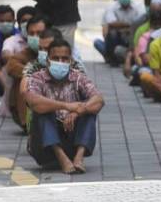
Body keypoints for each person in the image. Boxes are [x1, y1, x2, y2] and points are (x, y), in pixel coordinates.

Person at [25, 38, 104, 174]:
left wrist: (79, 111)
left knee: (89, 110)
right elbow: (34, 101)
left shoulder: (78, 77)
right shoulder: (37, 78)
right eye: (56, 58)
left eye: (64, 59)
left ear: (70, 61)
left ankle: (78, 157)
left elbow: (99, 99)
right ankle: (62, 158)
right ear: (48, 60)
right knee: (43, 110)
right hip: (45, 146)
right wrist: (67, 106)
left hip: (71, 138)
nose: (60, 62)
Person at [5, 15, 48, 129]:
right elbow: (12, 65)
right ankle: (28, 123)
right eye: (31, 33)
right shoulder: (26, 53)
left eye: (39, 33)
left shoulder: (60, 53)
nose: (35, 37)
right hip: (28, 108)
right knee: (23, 80)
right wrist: (34, 73)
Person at [94, 0, 145, 65]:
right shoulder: (112, 7)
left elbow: (140, 23)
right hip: (114, 39)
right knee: (98, 41)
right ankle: (113, 57)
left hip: (128, 39)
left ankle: (112, 56)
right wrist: (129, 25)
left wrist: (123, 27)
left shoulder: (137, 7)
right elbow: (111, 23)